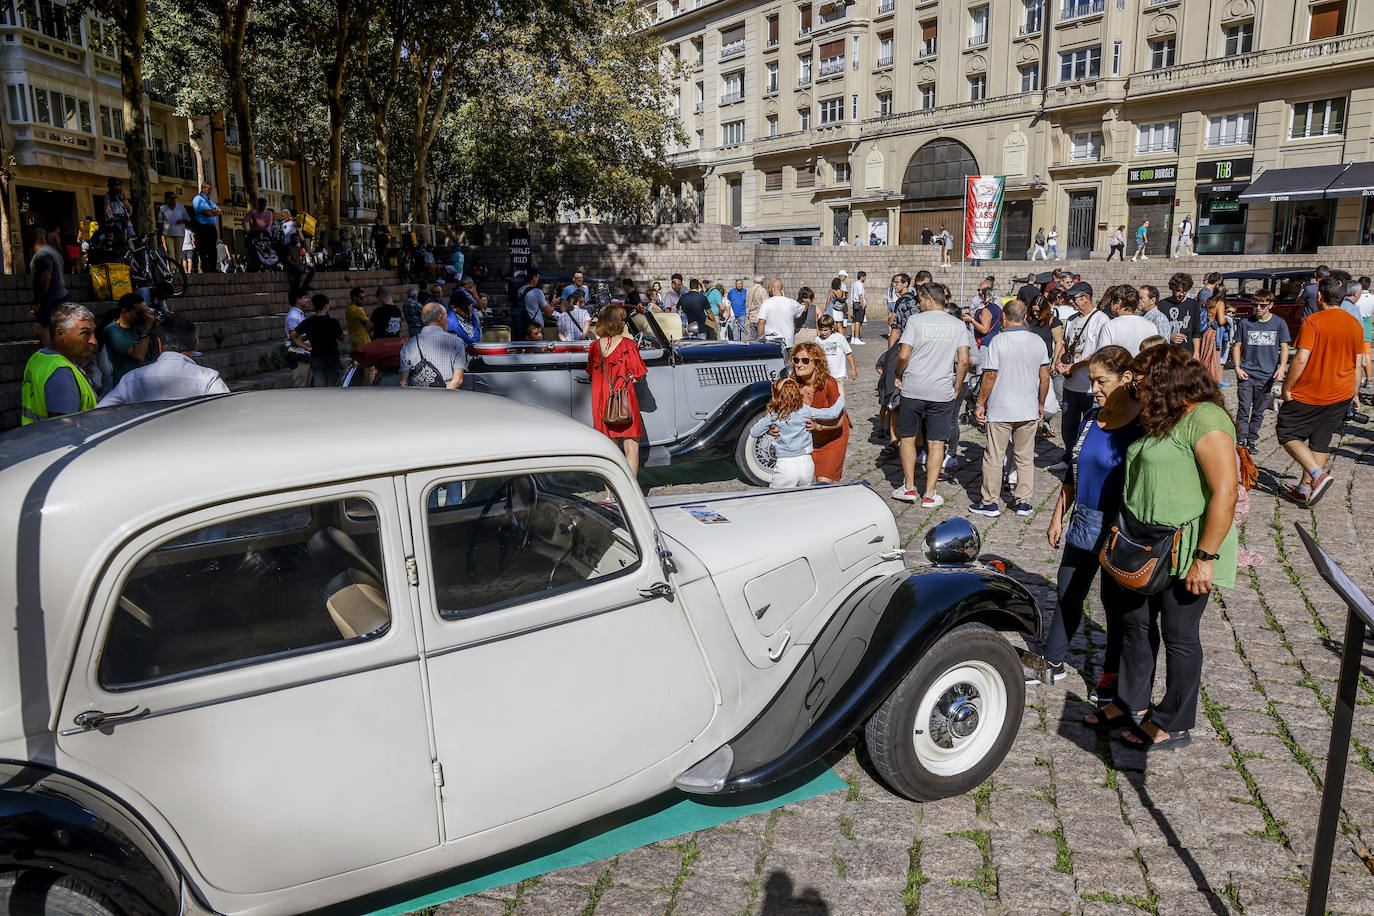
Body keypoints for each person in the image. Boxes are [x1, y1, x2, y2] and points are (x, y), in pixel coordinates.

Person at [1087, 345, 1237, 750]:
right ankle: (1128, 703)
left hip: (1186, 548)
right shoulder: (1160, 414)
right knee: (1134, 626)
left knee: (1179, 634)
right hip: (1139, 542)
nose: (1135, 386)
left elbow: (1225, 492)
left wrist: (1204, 558)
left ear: (1166, 380)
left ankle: (1175, 719)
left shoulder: (1206, 418)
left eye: (1141, 379)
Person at [1034, 346, 1143, 695]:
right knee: (1067, 593)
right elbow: (1073, 472)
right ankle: (1052, 660)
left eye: (1101, 381)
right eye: (1091, 380)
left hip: (1120, 527)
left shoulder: (1143, 425)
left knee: (1115, 606)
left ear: (1126, 379)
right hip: (1083, 521)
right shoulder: (1090, 418)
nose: (1093, 388)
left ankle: (1112, 675)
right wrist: (1057, 516)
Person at [1277, 277, 1364, 506]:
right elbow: (1358, 363)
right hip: (1342, 392)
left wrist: (1287, 388)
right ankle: (1304, 489)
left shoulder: (1313, 321)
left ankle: (1318, 475)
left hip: (1312, 392)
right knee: (1320, 441)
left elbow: (1301, 359)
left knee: (1286, 431)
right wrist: (1355, 394)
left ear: (1319, 296)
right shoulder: (1355, 323)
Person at [969, 300, 1050, 518]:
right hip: (1027, 407)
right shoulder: (1037, 341)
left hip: (1001, 408)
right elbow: (1044, 376)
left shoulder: (998, 341)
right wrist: (1041, 403)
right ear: (1024, 317)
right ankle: (1023, 502)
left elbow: (990, 375)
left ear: (1004, 317)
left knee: (994, 457)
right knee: (1024, 457)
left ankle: (990, 502)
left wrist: (980, 403)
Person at [892, 283, 970, 508]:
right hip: (941, 389)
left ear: (929, 300)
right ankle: (929, 493)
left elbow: (903, 354)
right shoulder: (957, 324)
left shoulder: (915, 321)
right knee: (937, 442)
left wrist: (899, 373)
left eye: (919, 300)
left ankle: (908, 487)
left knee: (907, 437)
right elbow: (964, 360)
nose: (917, 304)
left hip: (914, 387)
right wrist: (957, 386)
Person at [97, 315, 228, 406]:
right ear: (196, 344)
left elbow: (101, 411)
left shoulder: (131, 379)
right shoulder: (208, 378)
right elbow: (228, 411)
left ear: (159, 344)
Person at [749, 376, 846, 489]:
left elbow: (754, 432)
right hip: (806, 464)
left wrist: (769, 430)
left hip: (786, 465)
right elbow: (832, 413)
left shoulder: (775, 415)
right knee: (803, 499)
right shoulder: (805, 410)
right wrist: (841, 398)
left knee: (777, 500)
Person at [587, 305, 648, 475]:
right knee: (631, 447)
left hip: (600, 401)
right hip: (623, 399)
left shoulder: (594, 346)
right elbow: (638, 375)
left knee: (609, 451)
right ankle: (630, 492)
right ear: (617, 322)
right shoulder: (628, 345)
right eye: (622, 319)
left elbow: (592, 373)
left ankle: (609, 495)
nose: (624, 323)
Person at [1054, 282, 1109, 465]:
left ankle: (1085, 461)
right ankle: (1068, 457)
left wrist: (1074, 367)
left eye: (1074, 298)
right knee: (1068, 425)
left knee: (1089, 426)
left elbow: (1098, 353)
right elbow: (1066, 344)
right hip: (1070, 384)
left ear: (1086, 298)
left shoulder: (1101, 320)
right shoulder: (1071, 320)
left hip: (1089, 386)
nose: (1071, 302)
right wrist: (1059, 363)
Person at [1232, 291, 1291, 451]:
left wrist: (1282, 367)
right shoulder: (1245, 323)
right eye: (1255, 304)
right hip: (1246, 373)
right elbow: (1237, 346)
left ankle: (1252, 439)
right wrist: (1237, 367)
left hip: (1267, 375)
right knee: (1244, 407)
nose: (1258, 308)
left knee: (1259, 411)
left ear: (1271, 305)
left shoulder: (1279, 323)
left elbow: (1284, 347)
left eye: (1262, 305)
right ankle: (1242, 438)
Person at [20, 303, 98, 424]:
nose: (93, 340)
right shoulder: (61, 373)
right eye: (85, 333)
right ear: (60, 333)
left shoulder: (38, 357)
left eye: (93, 333)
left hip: (37, 438)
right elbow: (63, 430)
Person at [791, 339, 850, 483]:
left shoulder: (828, 383)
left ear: (816, 363)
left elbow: (840, 421)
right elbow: (780, 411)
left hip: (833, 436)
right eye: (796, 360)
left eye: (805, 360)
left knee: (823, 482)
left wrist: (819, 427)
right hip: (807, 439)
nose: (799, 364)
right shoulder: (793, 385)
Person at [400, 302, 467, 389]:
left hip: (416, 398)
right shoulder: (456, 342)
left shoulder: (408, 345)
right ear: (441, 318)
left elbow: (403, 382)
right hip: (446, 398)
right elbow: (458, 380)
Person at [101, 293, 159, 387]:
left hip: (147, 382)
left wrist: (154, 329)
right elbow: (138, 355)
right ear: (125, 312)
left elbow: (156, 354)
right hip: (127, 385)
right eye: (139, 313)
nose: (143, 316)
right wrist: (147, 328)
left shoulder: (140, 327)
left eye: (145, 311)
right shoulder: (112, 330)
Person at [30, 228, 70, 349]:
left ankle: (50, 358)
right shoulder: (53, 252)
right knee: (55, 329)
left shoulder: (42, 254)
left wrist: (40, 300)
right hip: (60, 296)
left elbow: (46, 277)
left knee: (41, 329)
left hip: (52, 298)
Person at [295, 294, 345, 387]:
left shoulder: (308, 322)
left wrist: (306, 347)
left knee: (320, 388)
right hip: (331, 359)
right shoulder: (333, 322)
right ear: (326, 306)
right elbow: (341, 338)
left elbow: (293, 336)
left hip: (316, 359)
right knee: (337, 387)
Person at [1098, 286, 1156, 356]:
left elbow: (1102, 357)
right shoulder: (1151, 326)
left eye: (1111, 301)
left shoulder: (1110, 326)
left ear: (1118, 303)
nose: (1110, 304)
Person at [1160, 273, 1202, 357]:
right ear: (1172, 288)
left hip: (1187, 352)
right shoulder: (1161, 305)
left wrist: (1196, 353)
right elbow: (1157, 331)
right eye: (1178, 291)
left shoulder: (1193, 304)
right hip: (1168, 353)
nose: (1181, 294)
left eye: (1184, 291)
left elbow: (1196, 332)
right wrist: (1169, 337)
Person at [815, 315, 856, 396]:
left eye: (826, 330)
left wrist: (853, 369)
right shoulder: (817, 340)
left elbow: (848, 353)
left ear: (832, 328)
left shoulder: (839, 337)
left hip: (838, 374)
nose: (823, 333)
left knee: (839, 396)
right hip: (824, 374)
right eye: (821, 330)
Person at [756, 279, 803, 346]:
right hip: (788, 342)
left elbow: (761, 322)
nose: (768, 290)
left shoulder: (766, 303)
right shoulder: (791, 303)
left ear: (773, 289)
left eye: (769, 288)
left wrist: (758, 340)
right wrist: (806, 302)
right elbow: (803, 309)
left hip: (771, 342)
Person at [190, 182, 222, 274]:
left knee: (212, 248)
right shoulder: (198, 199)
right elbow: (205, 212)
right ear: (203, 189)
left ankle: (213, 268)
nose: (210, 191)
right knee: (203, 249)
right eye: (209, 189)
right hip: (202, 227)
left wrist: (213, 212)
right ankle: (205, 268)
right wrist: (214, 212)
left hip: (211, 227)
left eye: (211, 189)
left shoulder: (210, 200)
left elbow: (219, 212)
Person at [284, 290, 313, 388]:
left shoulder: (299, 314)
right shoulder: (293, 316)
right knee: (300, 390)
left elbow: (299, 337)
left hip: (305, 356)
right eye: (306, 297)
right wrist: (308, 348)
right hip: (300, 358)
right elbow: (292, 338)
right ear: (298, 300)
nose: (309, 300)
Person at [515, 269, 550, 338]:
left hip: (523, 327)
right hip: (536, 329)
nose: (538, 279)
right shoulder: (537, 292)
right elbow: (548, 313)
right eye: (537, 277)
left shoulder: (519, 291)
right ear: (534, 277)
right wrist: (553, 304)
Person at [448, 282, 483, 347]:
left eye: (469, 306)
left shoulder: (472, 314)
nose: (468, 310)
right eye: (464, 308)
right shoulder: (450, 324)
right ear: (454, 308)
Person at [158, 191, 190, 259]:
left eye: (174, 198)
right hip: (167, 234)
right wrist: (160, 235)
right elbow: (160, 222)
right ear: (166, 200)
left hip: (179, 234)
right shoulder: (162, 208)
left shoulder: (181, 207)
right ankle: (172, 269)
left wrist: (182, 221)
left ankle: (177, 269)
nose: (173, 200)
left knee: (178, 253)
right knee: (170, 253)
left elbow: (188, 219)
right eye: (171, 198)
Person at [343, 287, 372, 352]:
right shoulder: (357, 310)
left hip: (355, 344)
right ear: (354, 298)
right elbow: (369, 325)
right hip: (363, 343)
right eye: (361, 298)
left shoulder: (348, 309)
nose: (363, 300)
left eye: (364, 297)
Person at [849, 270, 867, 344]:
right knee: (858, 322)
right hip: (859, 304)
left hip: (854, 304)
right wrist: (863, 306)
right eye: (865, 277)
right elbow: (860, 296)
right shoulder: (859, 284)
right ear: (862, 277)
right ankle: (857, 338)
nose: (865, 279)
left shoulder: (854, 284)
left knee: (854, 321)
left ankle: (853, 338)